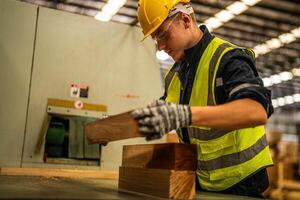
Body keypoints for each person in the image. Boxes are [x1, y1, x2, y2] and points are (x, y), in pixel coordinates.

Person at [132, 0, 274, 198]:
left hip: (242, 184)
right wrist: (116, 129)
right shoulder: (175, 75)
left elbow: (256, 111)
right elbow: (167, 114)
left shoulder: (227, 58)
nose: (160, 46)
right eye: (156, 39)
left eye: (163, 35)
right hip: (202, 184)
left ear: (185, 20)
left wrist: (184, 114)